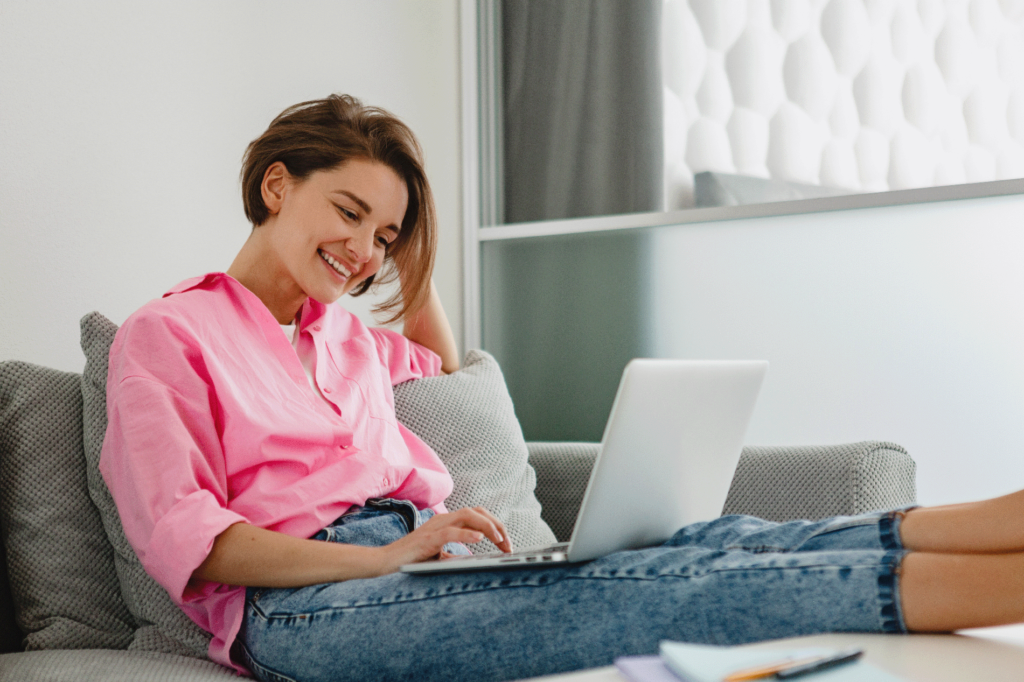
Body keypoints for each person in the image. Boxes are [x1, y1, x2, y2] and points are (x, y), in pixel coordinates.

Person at [100, 94, 1024, 682]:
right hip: (304, 609)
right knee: (650, 592)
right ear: (274, 186)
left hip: (423, 562)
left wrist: (403, 252)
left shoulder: (345, 337)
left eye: (383, 234)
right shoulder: (167, 337)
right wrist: (384, 557)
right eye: (348, 213)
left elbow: (448, 366)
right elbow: (200, 542)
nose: (364, 251)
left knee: (709, 541)